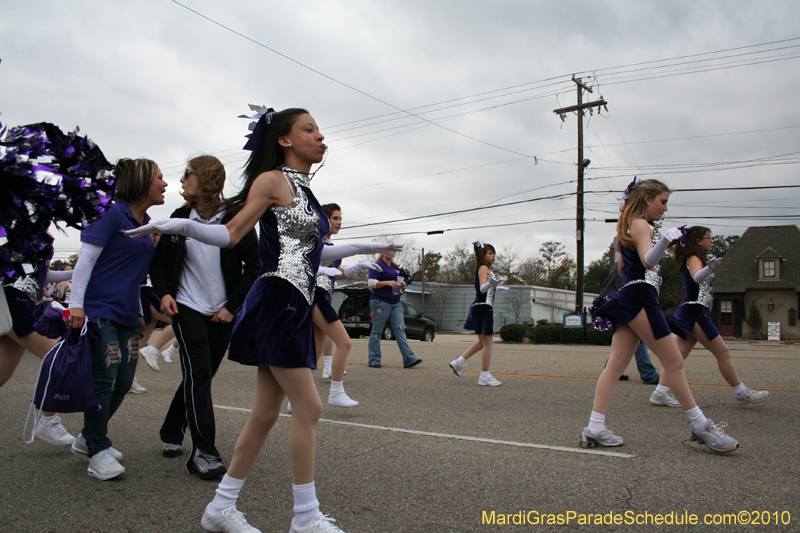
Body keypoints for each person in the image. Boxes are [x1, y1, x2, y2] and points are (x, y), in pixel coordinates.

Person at [126, 107, 401, 533]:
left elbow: (310, 254)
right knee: (308, 407)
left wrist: (362, 250)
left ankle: (220, 507)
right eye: (309, 129)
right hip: (279, 300)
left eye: (320, 129)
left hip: (294, 299)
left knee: (266, 414)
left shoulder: (306, 191)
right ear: (285, 140)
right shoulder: (272, 180)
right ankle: (305, 517)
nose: (321, 136)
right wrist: (180, 226)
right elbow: (231, 234)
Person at [584, 178, 739, 453]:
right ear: (647, 199)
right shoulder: (642, 224)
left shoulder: (627, 226)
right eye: (663, 202)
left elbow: (623, 269)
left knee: (616, 366)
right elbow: (647, 261)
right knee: (674, 362)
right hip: (642, 298)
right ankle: (701, 426)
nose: (665, 208)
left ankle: (595, 427)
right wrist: (663, 241)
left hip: (630, 298)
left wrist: (656, 247)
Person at [149, 154, 259, 479]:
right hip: (186, 307)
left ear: (206, 178)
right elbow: (158, 263)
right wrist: (165, 292)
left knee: (201, 376)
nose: (182, 180)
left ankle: (171, 431)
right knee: (198, 372)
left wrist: (232, 306)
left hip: (222, 312)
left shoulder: (236, 218)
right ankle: (204, 452)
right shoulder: (179, 217)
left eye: (187, 174)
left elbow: (253, 267)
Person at [68, 158, 167, 480]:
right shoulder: (111, 213)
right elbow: (86, 260)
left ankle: (87, 438)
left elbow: (136, 276)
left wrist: (139, 312)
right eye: (160, 178)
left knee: (124, 382)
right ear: (142, 182)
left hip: (126, 315)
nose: (165, 184)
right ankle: (97, 448)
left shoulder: (146, 224)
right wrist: (76, 306)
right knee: (105, 379)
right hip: (99, 312)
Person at [655, 226, 769, 406]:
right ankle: (741, 392)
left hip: (694, 312)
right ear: (699, 241)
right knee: (722, 352)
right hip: (695, 312)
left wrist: (709, 266)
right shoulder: (694, 258)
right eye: (708, 237)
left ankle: (660, 393)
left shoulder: (698, 258)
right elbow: (697, 277)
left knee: (676, 357)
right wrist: (709, 268)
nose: (712, 241)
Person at [2, 243, 76, 445]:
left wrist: (75, 272)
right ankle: (48, 420)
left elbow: (38, 274)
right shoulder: (15, 227)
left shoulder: (40, 228)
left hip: (24, 303)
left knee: (2, 372)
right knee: (56, 357)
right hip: (13, 303)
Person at [312, 203, 382, 407]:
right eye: (335, 218)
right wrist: (320, 272)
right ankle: (335, 391)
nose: (339, 222)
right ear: (324, 219)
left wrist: (359, 266)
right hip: (315, 295)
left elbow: (339, 273)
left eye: (341, 218)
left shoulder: (331, 246)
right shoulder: (315, 241)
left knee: (313, 352)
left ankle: (294, 398)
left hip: (324, 296)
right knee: (345, 342)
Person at [449, 241, 508, 386]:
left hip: (482, 307)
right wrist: (491, 284)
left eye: (494, 253)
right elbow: (482, 289)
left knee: (482, 343)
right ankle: (484, 376)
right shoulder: (483, 268)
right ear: (483, 255)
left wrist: (497, 288)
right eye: (490, 253)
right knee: (488, 344)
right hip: (482, 308)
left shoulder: (486, 269)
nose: (493, 256)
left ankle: (459, 362)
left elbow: (486, 290)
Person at [596, 255, 661, 385]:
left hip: (617, 302)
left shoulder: (626, 261)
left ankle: (612, 370)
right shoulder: (631, 262)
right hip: (623, 303)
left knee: (624, 342)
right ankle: (648, 374)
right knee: (638, 338)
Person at [367, 251, 422, 369]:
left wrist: (404, 283)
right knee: (377, 331)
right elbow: (371, 283)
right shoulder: (377, 266)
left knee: (400, 330)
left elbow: (407, 278)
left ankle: (409, 359)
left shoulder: (396, 268)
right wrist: (387, 282)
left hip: (396, 303)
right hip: (380, 302)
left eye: (392, 251)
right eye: (387, 250)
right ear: (382, 251)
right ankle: (374, 360)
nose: (390, 253)